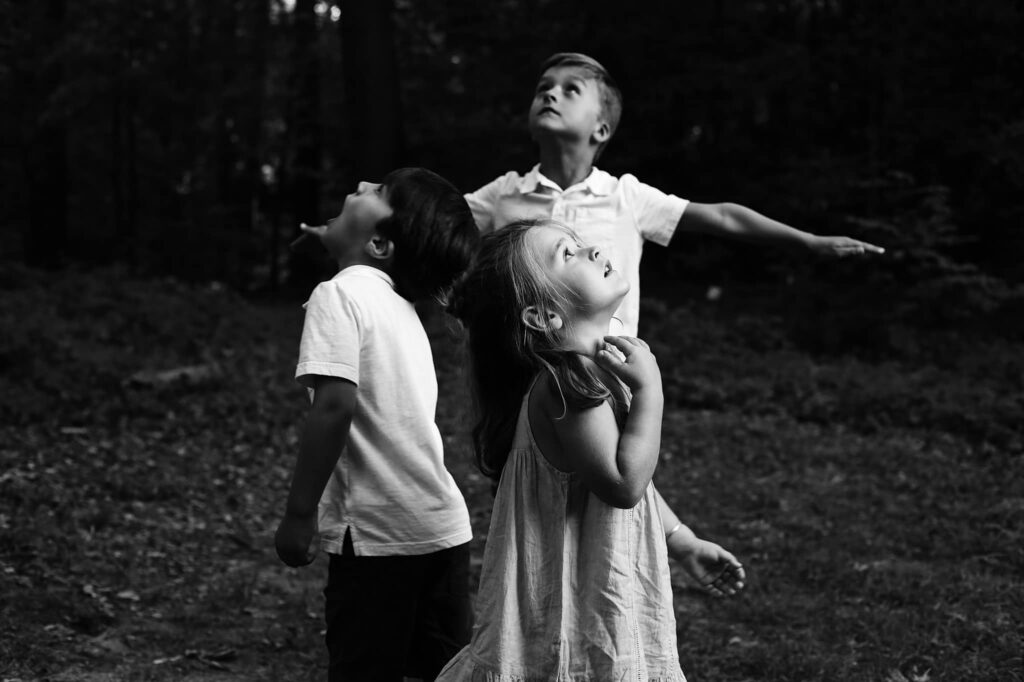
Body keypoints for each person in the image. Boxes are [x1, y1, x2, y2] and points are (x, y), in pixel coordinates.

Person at [437, 219, 745, 680]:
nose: (594, 251)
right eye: (568, 253)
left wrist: (682, 539)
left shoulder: (589, 374)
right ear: (543, 317)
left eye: (581, 245)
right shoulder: (567, 384)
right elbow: (623, 484)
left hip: (592, 584)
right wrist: (651, 394)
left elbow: (626, 478)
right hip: (573, 598)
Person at [463, 51, 885, 337]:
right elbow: (432, 223)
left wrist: (809, 242)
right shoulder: (506, 192)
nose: (550, 94)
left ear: (601, 129)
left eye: (571, 89)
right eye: (543, 88)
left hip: (605, 376)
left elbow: (721, 217)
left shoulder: (626, 196)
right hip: (515, 369)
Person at [274, 167, 480, 681]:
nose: (362, 184)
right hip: (441, 529)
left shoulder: (338, 295)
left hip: (378, 538)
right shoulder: (403, 310)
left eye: (380, 192)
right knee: (444, 672)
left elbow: (334, 407)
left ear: (382, 244)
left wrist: (300, 514)